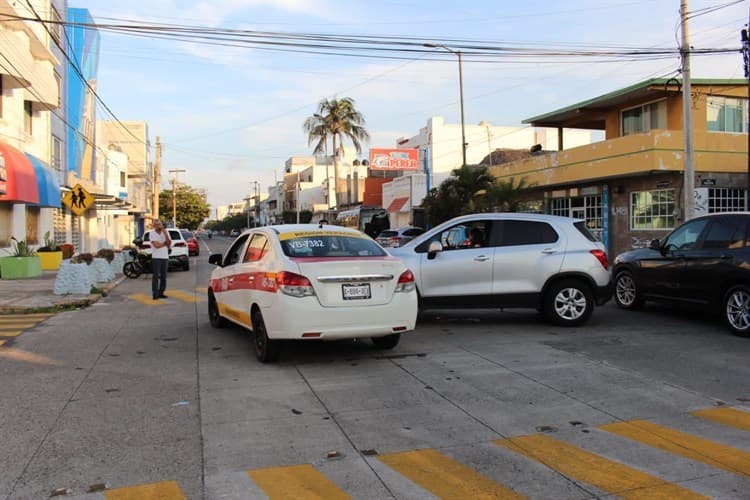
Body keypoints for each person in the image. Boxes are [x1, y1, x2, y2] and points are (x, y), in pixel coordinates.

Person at [148, 219, 171, 299]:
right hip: (156, 257)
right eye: (157, 224)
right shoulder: (152, 233)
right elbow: (156, 246)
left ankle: (161, 292)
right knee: (156, 276)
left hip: (165, 257)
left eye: (160, 224)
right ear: (154, 226)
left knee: (164, 276)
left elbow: (169, 244)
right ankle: (155, 294)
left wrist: (165, 234)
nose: (159, 226)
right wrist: (164, 244)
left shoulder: (165, 232)